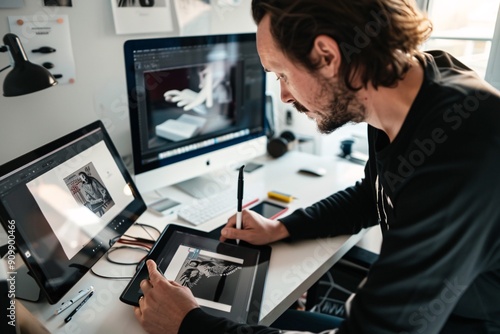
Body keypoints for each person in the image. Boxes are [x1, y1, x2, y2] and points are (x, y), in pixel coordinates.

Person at [133, 0, 500, 333]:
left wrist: (190, 325)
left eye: (282, 75)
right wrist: (282, 228)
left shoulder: (463, 145)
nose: (284, 95)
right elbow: (373, 196)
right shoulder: (407, 90)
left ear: (327, 55)